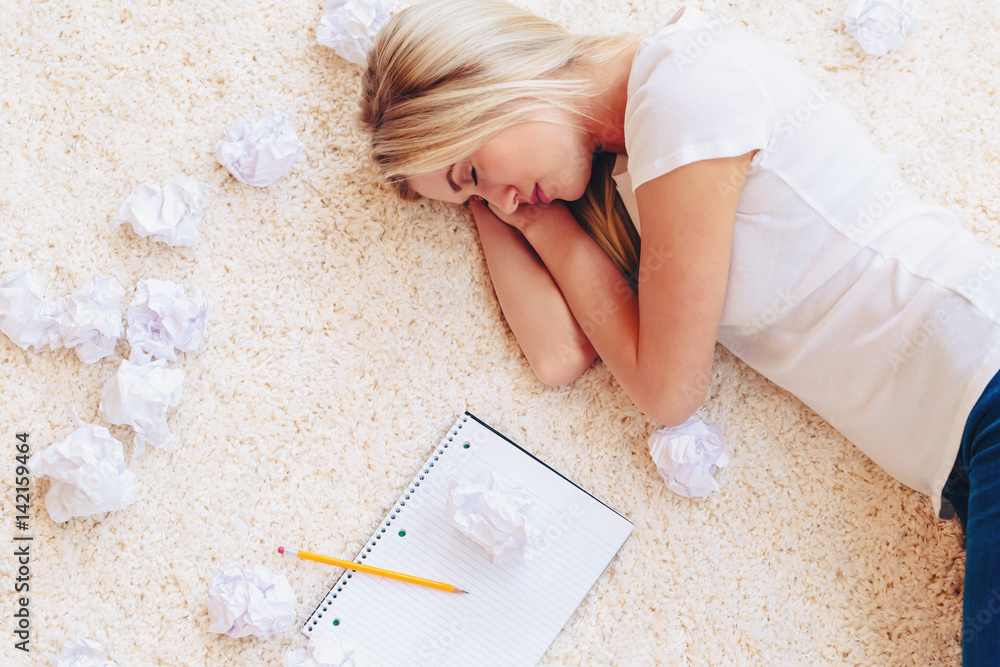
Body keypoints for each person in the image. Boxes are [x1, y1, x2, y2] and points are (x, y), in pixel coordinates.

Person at [358, 0, 1000, 660]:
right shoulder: (630, 172)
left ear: (482, 84)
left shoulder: (682, 90)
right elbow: (557, 352)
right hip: (963, 451)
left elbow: (670, 392)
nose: (500, 201)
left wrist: (532, 217)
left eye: (473, 176)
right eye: (471, 201)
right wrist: (502, 206)